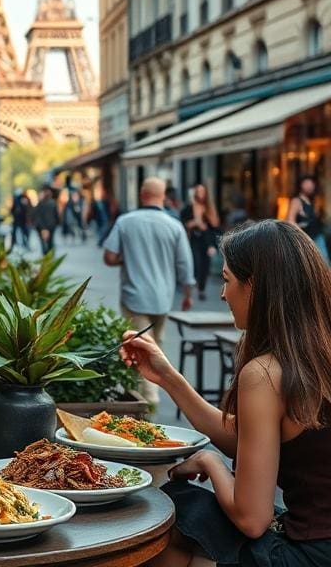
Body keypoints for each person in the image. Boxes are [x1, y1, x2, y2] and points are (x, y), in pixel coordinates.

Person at [122, 220, 331, 566]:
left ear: (255, 287)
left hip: (311, 554)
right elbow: (250, 440)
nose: (222, 294)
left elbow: (252, 519)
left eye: (226, 279)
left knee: (176, 512)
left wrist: (210, 462)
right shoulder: (313, 357)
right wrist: (168, 377)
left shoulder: (266, 373)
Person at [103, 177, 195, 406]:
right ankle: (149, 391)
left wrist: (128, 259)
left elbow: (109, 257)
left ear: (142, 195)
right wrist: (187, 294)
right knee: (156, 343)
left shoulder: (125, 222)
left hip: (134, 295)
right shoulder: (174, 225)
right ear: (163, 197)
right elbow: (184, 264)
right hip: (163, 297)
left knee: (138, 345)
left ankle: (148, 399)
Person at [180, 182, 221, 301]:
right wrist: (195, 222)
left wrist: (213, 245)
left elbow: (215, 227)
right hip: (193, 240)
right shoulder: (189, 208)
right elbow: (183, 223)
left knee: (205, 266)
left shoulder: (210, 208)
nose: (200, 194)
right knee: (196, 264)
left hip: (207, 241)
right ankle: (194, 286)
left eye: (202, 191)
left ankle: (201, 289)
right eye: (198, 191)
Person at [285, 175, 329, 262]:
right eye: (307, 184)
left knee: (323, 264)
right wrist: (300, 227)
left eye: (311, 184)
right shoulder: (296, 201)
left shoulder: (311, 200)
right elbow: (290, 221)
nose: (310, 187)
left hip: (317, 236)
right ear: (301, 185)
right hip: (307, 238)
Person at [33, 185, 60, 255]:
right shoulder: (52, 203)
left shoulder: (42, 203)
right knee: (49, 242)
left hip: (47, 226)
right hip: (49, 226)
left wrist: (42, 228)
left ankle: (47, 255)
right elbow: (56, 215)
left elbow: (37, 216)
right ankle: (49, 255)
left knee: (46, 242)